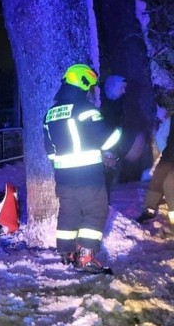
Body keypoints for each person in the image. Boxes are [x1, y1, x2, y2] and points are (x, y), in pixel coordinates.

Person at [43, 64, 122, 273]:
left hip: (63, 175)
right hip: (87, 173)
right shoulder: (86, 110)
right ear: (83, 82)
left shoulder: (50, 114)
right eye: (90, 86)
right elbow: (107, 139)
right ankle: (86, 257)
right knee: (95, 211)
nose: (90, 91)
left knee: (68, 211)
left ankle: (66, 253)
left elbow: (49, 149)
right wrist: (121, 133)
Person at [136, 97, 174, 229]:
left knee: (170, 182)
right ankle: (149, 210)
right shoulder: (172, 119)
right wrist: (165, 153)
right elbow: (165, 138)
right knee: (157, 178)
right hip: (169, 155)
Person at [100, 75, 128, 201]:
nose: (124, 92)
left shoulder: (119, 103)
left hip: (112, 146)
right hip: (102, 148)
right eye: (121, 88)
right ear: (112, 87)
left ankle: (106, 204)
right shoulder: (101, 103)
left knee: (109, 177)